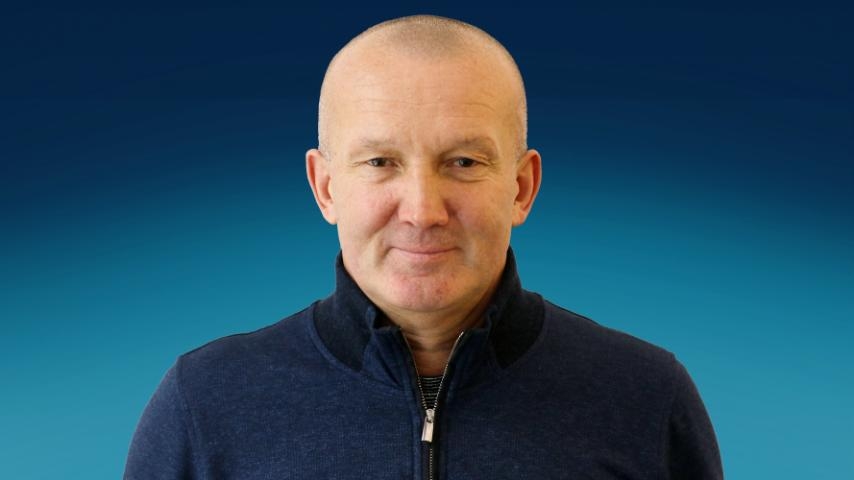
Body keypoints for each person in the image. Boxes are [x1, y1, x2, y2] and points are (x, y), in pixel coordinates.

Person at [124, 14, 723, 479]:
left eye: (463, 162)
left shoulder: (645, 396)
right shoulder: (205, 403)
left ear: (521, 187)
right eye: (380, 162)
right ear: (325, 187)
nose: (422, 211)